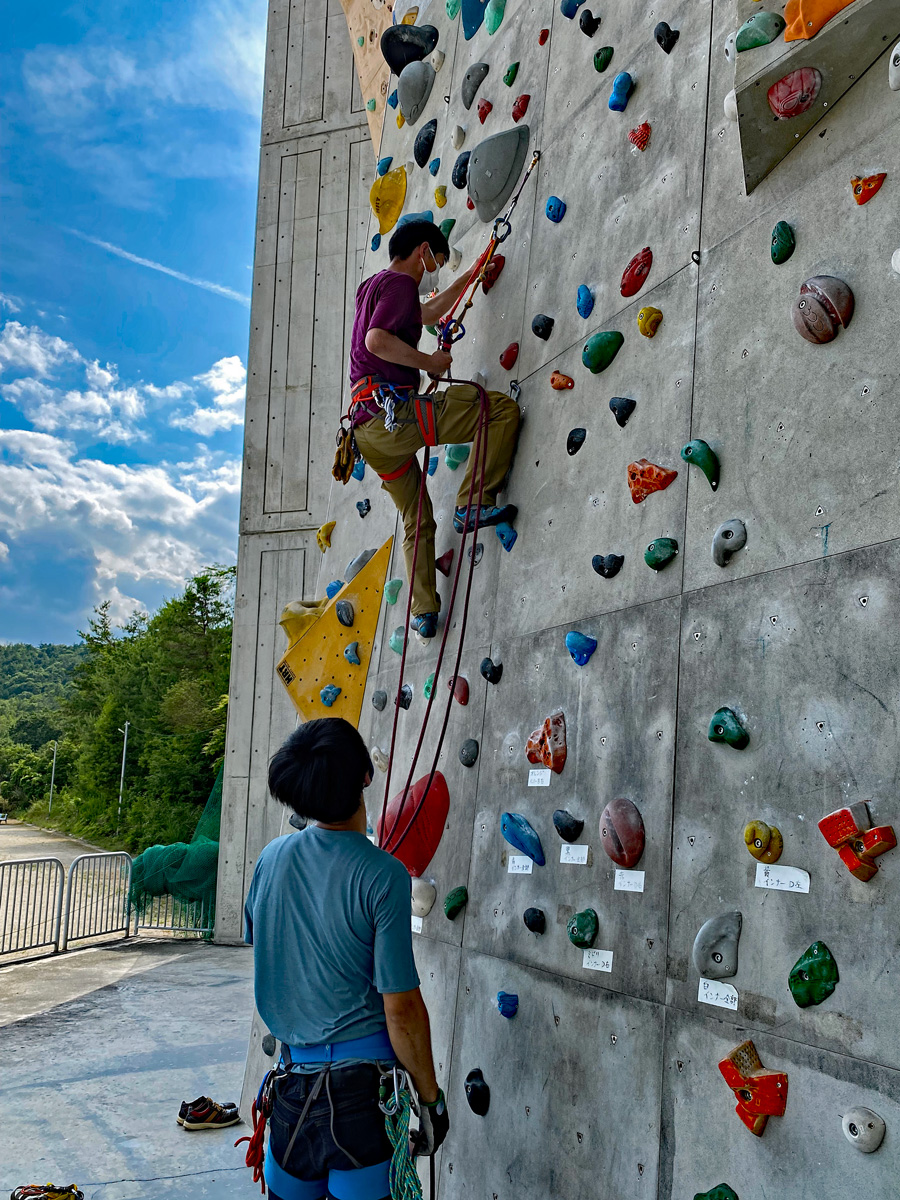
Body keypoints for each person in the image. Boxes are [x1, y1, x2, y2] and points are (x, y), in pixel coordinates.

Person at [244, 717, 448, 1200]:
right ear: (366, 777)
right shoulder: (384, 875)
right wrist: (430, 1100)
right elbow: (401, 1008)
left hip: (291, 1092)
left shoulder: (270, 860)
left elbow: (271, 947)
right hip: (361, 1098)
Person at [349, 219, 521, 640]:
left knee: (416, 517)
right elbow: (376, 341)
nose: (435, 272)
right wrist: (429, 363)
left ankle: (423, 611)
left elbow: (428, 312)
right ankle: (473, 502)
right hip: (395, 417)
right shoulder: (400, 284)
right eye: (437, 262)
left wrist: (470, 274)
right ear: (423, 250)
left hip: (368, 432)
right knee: (496, 409)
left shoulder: (373, 286)